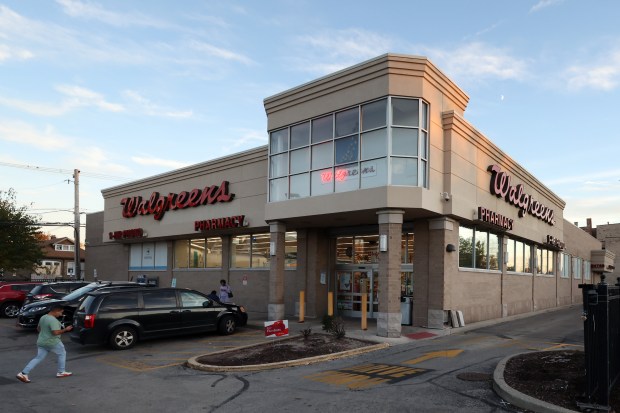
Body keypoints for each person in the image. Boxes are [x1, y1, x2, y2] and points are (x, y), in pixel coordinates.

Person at [17, 305, 73, 383]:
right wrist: (66, 329)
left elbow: (38, 328)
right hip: (53, 342)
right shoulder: (53, 320)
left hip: (41, 341)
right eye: (60, 312)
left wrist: (45, 334)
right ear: (56, 311)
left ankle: (23, 373)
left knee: (38, 358)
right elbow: (55, 332)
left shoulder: (43, 317)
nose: (60, 314)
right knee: (62, 353)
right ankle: (61, 372)